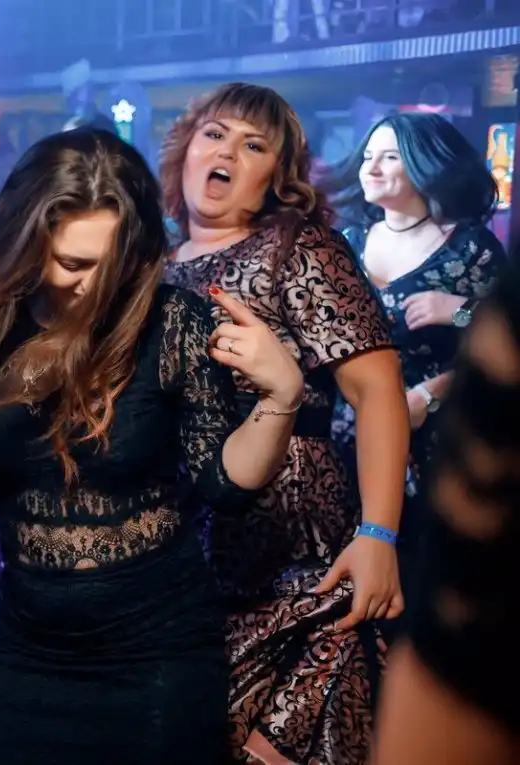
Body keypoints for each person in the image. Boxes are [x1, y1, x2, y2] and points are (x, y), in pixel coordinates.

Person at [0, 127, 303, 764]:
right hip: (27, 651)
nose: (92, 285)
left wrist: (280, 395)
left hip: (156, 653)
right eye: (72, 263)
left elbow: (225, 486)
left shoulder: (171, 322)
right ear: (24, 243)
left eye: (111, 262)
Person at [161, 82, 409, 764]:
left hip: (296, 558)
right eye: (215, 134)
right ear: (186, 148)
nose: (227, 152)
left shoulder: (296, 248)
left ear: (277, 176)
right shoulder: (150, 269)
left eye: (254, 145)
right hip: (185, 557)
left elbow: (378, 391)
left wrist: (378, 533)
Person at [324, 112, 507, 603]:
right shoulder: (346, 244)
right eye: (367, 157)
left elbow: (505, 342)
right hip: (349, 434)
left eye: (389, 157)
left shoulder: (470, 249)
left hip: (435, 438)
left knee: (428, 579)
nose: (371, 168)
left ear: (425, 164)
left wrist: (457, 314)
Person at [371, 247, 520, 764]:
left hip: (445, 448)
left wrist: (452, 315)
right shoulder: (357, 235)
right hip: (369, 452)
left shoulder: (470, 247)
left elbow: (490, 342)